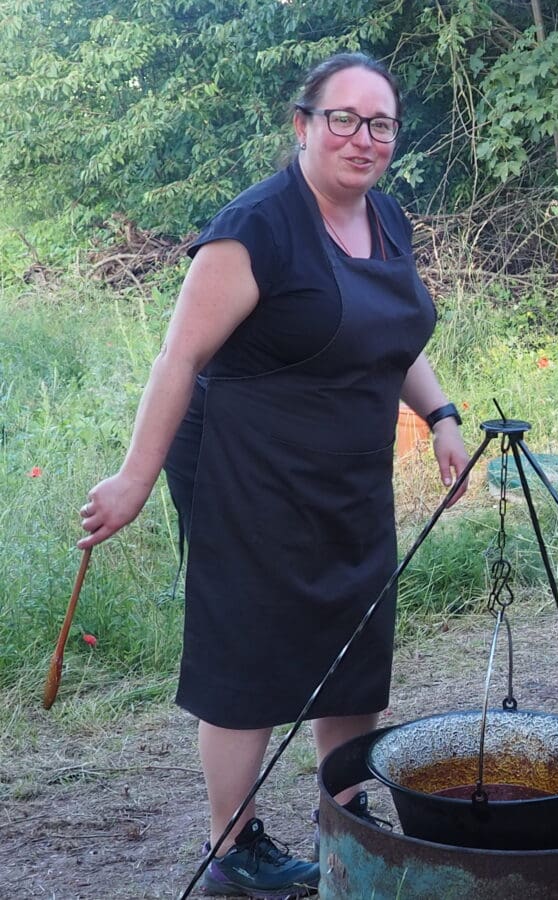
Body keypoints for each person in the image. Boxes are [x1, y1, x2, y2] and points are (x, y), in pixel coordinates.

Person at [78, 53, 469, 896]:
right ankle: (235, 850)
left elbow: (391, 333)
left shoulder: (387, 218)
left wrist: (441, 416)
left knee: (355, 647)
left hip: (349, 471)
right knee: (249, 652)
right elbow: (179, 359)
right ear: (303, 125)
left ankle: (348, 818)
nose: (364, 140)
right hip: (246, 469)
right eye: (345, 119)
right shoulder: (253, 227)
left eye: (382, 124)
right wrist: (132, 481)